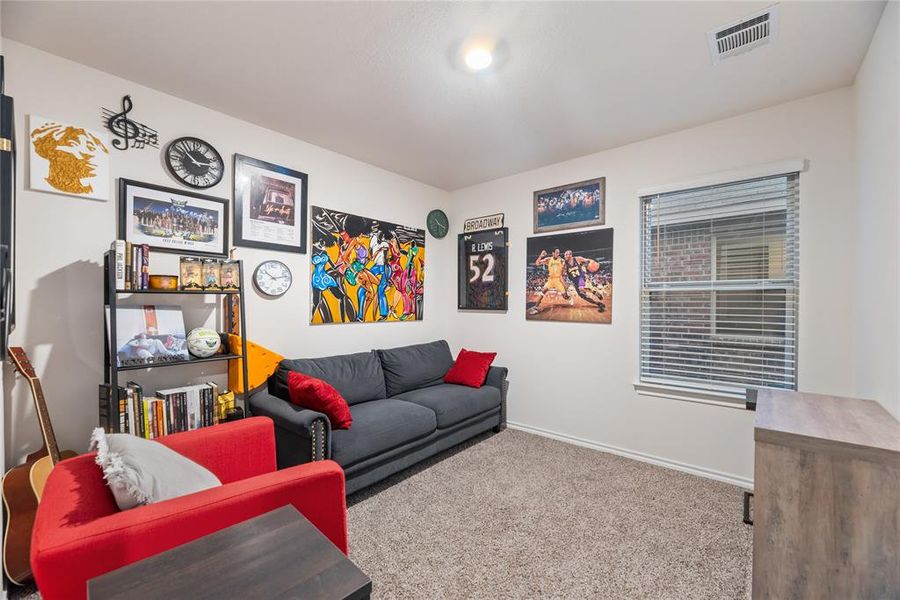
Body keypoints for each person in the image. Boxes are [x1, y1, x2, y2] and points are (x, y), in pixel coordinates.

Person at [528, 248, 569, 315]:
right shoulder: (549, 259)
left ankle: (568, 297)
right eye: (556, 252)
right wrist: (541, 256)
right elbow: (537, 263)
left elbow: (565, 269)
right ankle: (536, 307)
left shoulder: (561, 260)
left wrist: (564, 280)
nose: (558, 254)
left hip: (558, 280)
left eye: (558, 253)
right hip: (551, 280)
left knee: (565, 296)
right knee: (543, 290)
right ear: (553, 253)